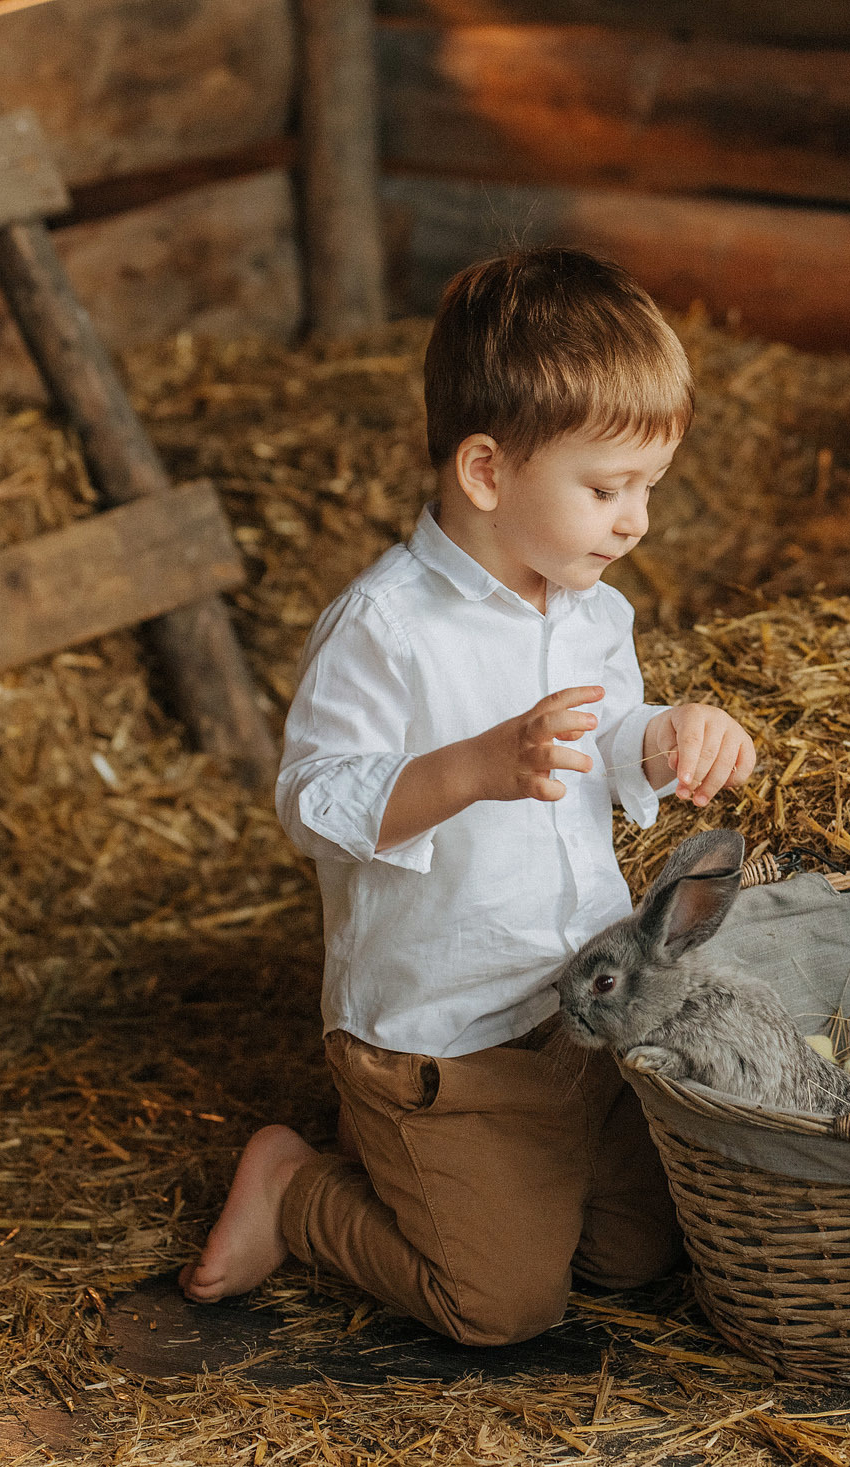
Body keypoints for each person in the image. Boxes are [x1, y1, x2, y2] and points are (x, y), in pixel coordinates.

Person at [178, 248, 758, 1345]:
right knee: (502, 1305)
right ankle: (294, 1190)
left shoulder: (594, 614)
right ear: (487, 473)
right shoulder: (387, 628)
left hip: (574, 1012)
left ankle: (506, 1186)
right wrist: (474, 769)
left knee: (641, 1255)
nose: (635, 521)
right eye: (605, 488)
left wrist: (663, 735)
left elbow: (607, 742)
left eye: (649, 490)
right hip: (438, 1038)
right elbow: (313, 800)